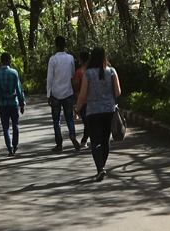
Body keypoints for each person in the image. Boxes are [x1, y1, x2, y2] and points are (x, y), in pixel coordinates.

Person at [75, 47, 119, 181]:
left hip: (93, 111)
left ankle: (100, 168)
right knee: (105, 140)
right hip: (109, 110)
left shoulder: (88, 74)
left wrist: (77, 109)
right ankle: (102, 166)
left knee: (95, 141)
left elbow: (82, 96)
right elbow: (118, 92)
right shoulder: (112, 71)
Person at [46, 36, 79, 152]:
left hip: (56, 93)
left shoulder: (53, 60)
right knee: (69, 117)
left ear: (55, 45)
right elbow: (72, 74)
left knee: (56, 120)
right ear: (65, 45)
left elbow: (50, 78)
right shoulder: (70, 58)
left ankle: (59, 144)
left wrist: (48, 94)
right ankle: (72, 134)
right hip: (68, 92)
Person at [0, 52, 26, 156]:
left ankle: (10, 148)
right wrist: (22, 103)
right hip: (13, 103)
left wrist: (6, 96)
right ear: (9, 61)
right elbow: (19, 89)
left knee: (5, 127)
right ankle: (15, 145)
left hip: (3, 104)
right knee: (15, 124)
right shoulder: (14, 73)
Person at [73, 50, 91, 148]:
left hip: (83, 101)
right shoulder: (93, 71)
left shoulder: (79, 72)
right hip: (93, 101)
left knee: (87, 123)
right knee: (89, 123)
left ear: (81, 60)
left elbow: (76, 86)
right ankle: (85, 140)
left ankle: (84, 140)